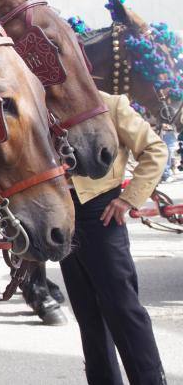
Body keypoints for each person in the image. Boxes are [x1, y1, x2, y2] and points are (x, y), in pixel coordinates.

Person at [62, 91, 167, 385]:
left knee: (122, 308)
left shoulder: (109, 104)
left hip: (102, 212)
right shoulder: (38, 104)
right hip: (63, 214)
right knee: (87, 313)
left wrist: (129, 199)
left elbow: (155, 149)